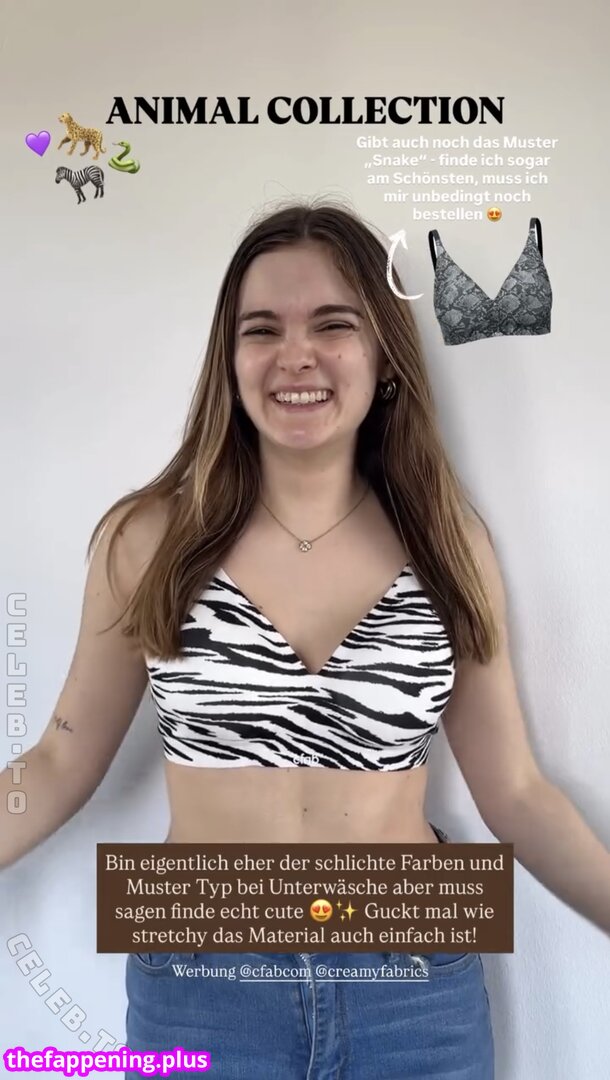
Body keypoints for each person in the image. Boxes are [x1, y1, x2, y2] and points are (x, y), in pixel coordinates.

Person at [2, 199, 609, 1080]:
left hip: (415, 984)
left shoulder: (449, 542)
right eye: (262, 329)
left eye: (334, 324)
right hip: (200, 978)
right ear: (230, 358)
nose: (297, 355)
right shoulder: (147, 538)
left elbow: (515, 791)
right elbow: (59, 762)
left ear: (384, 354)